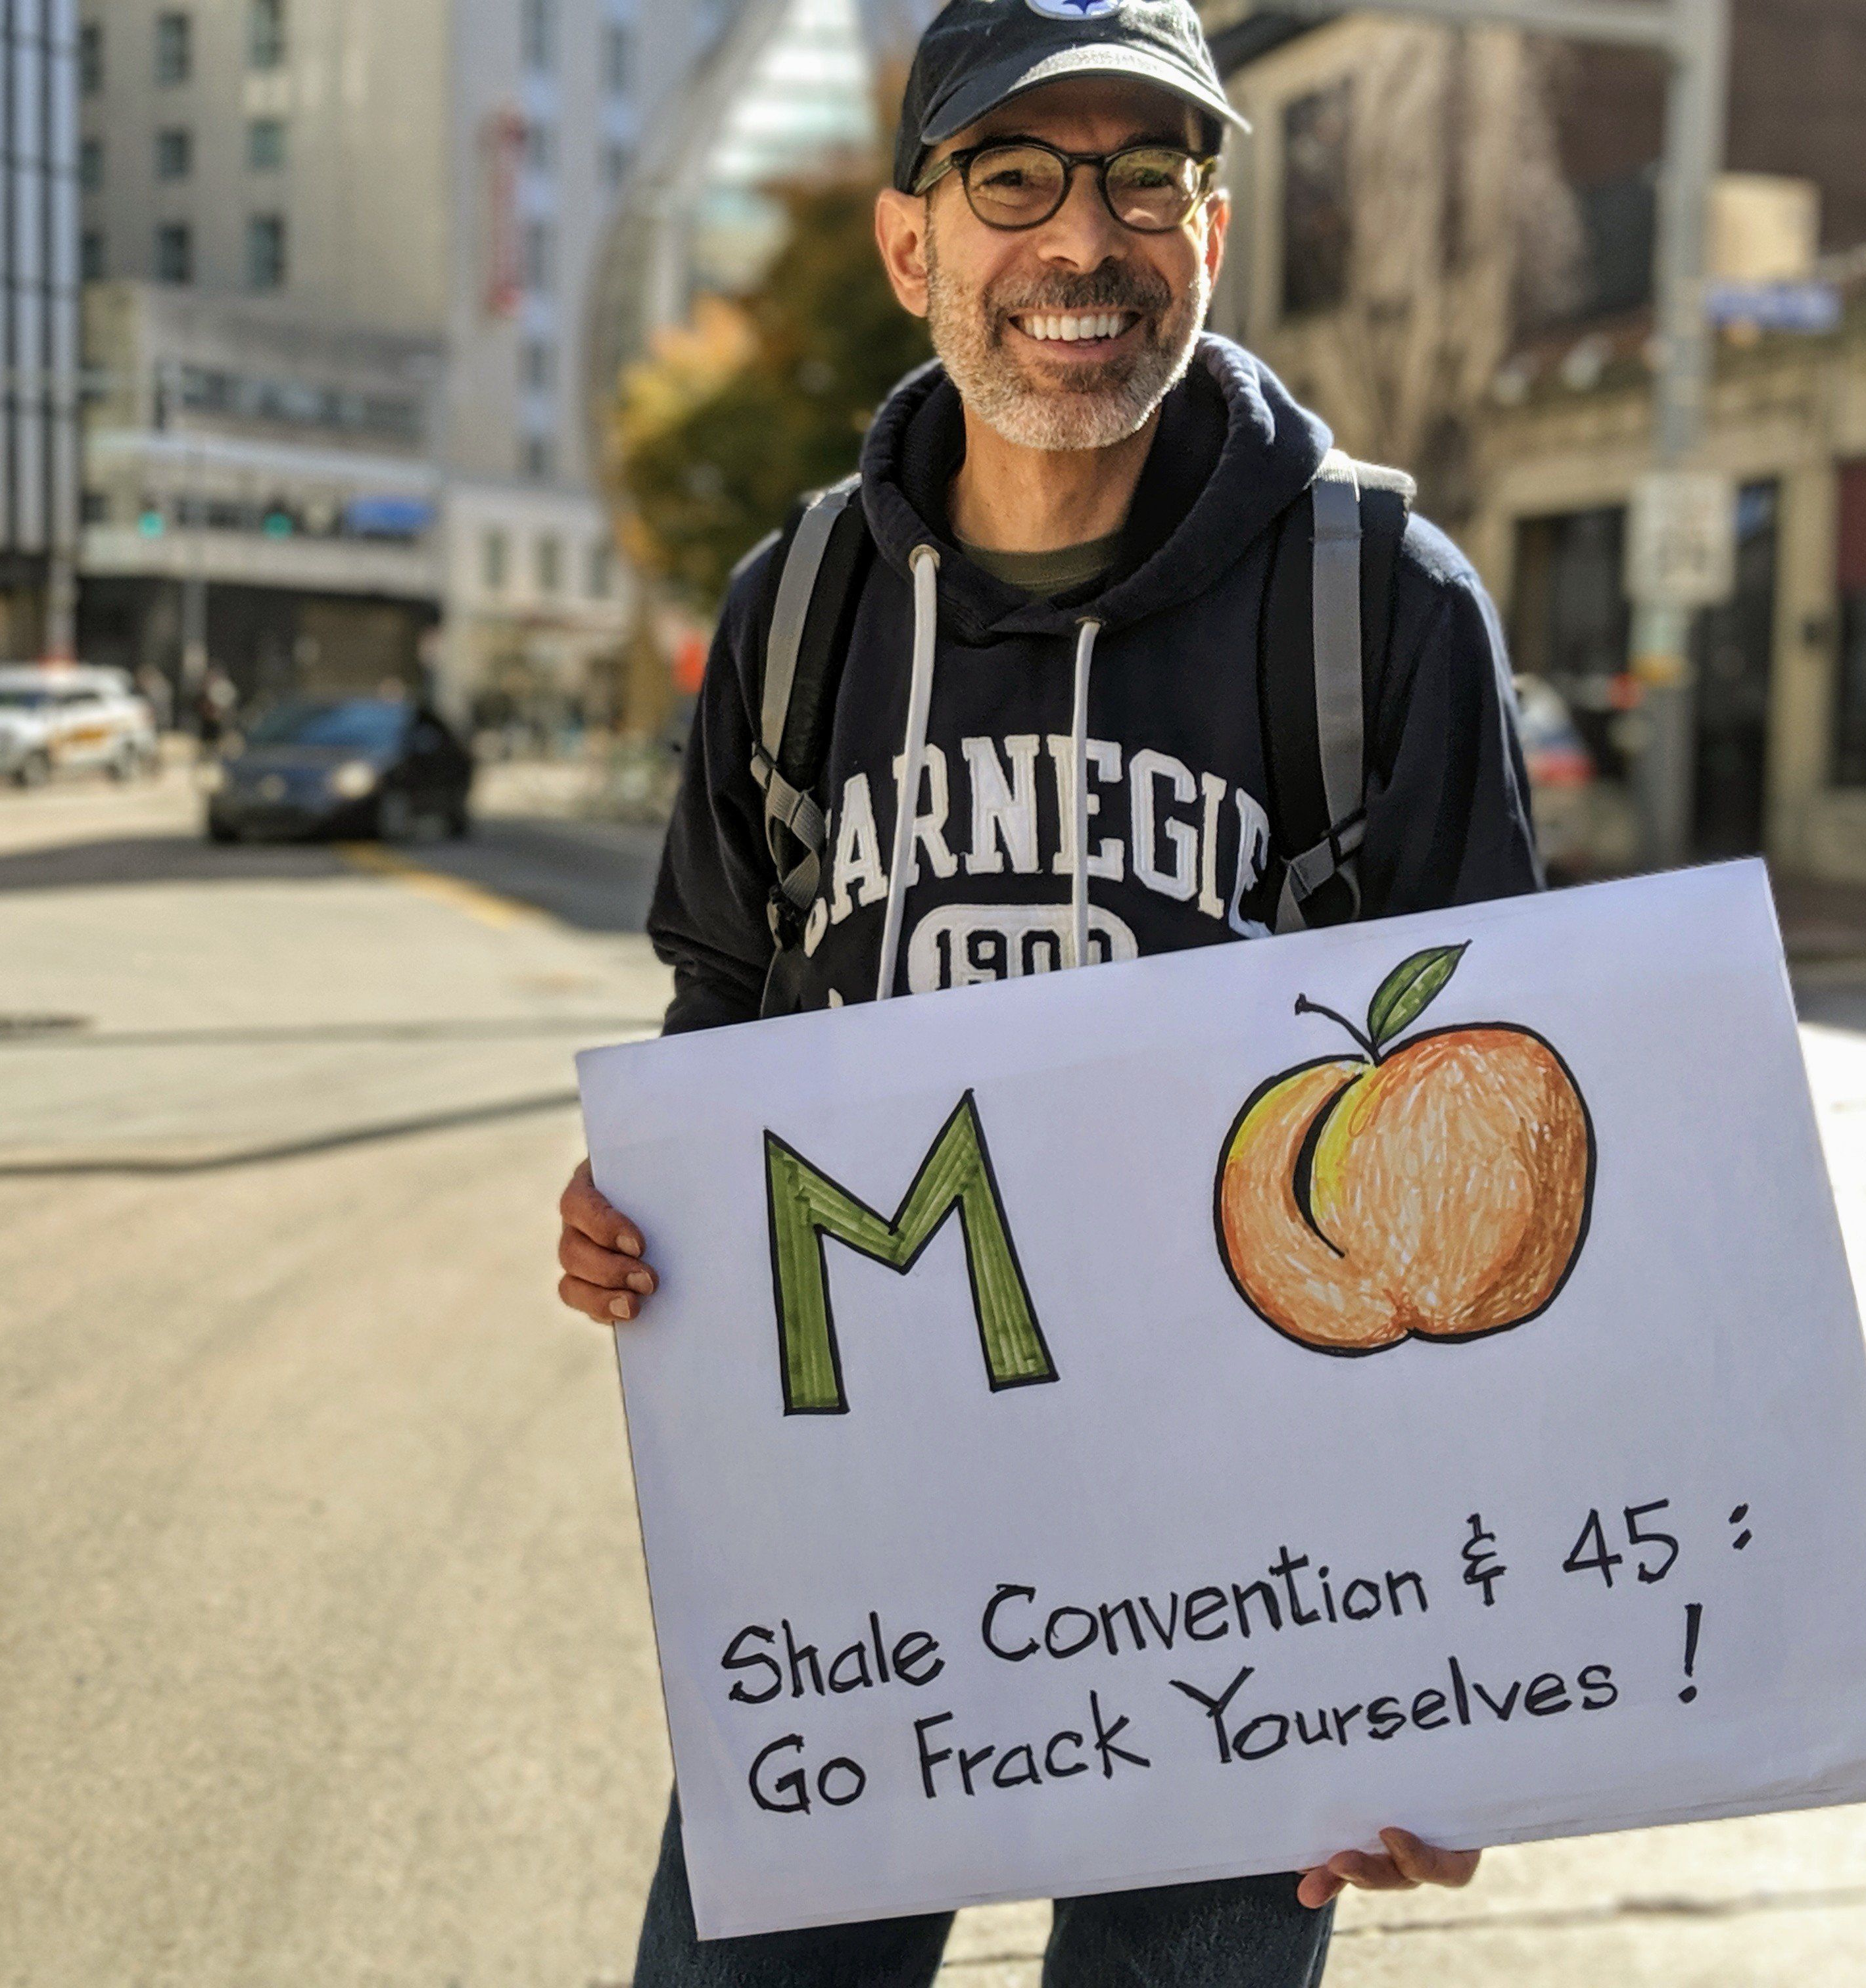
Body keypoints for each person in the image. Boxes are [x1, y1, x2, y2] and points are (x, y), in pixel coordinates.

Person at [555, 5, 1535, 1984]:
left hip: (1257, 1602)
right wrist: (638, 1214)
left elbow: (1498, 1156)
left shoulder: (1378, 608)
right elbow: (723, 1011)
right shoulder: (803, 612)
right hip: (857, 1582)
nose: (1085, 238)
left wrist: (1456, 1681)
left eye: (1145, 177)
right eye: (1015, 177)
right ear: (914, 247)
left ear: (1213, 233)